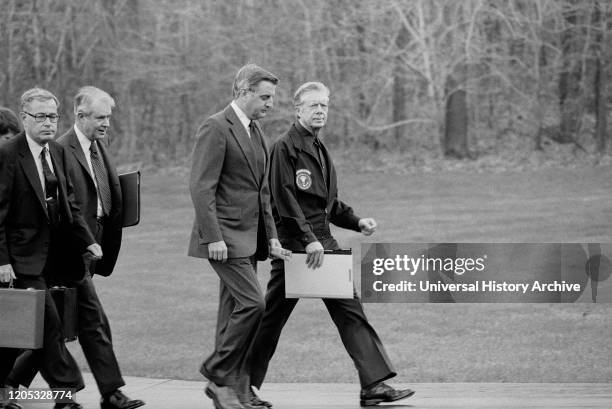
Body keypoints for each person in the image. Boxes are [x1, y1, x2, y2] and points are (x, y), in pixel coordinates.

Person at [249, 82, 415, 407]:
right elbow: (284, 200)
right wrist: (308, 240)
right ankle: (240, 385)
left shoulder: (320, 149)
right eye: (313, 106)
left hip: (325, 250)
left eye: (324, 105)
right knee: (269, 322)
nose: (320, 111)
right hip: (298, 253)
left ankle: (374, 385)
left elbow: (328, 204)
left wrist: (357, 222)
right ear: (298, 110)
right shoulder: (285, 148)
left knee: (351, 314)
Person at [6, 87, 145, 409]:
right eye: (100, 117)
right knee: (47, 324)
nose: (107, 123)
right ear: (80, 116)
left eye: (109, 117)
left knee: (85, 322)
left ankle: (110, 392)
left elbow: (91, 200)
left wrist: (93, 242)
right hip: (45, 256)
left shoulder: (93, 147)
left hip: (77, 252)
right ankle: (31, 388)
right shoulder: (56, 148)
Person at [188, 63, 291, 409]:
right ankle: (217, 374)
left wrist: (273, 238)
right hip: (225, 239)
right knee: (254, 304)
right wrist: (213, 236)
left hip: (252, 240)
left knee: (231, 312)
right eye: (264, 96)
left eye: (272, 97)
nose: (270, 103)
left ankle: (238, 391)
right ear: (242, 91)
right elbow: (202, 188)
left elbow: (262, 193)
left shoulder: (257, 131)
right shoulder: (216, 127)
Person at [0, 87, 103, 409]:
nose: (48, 123)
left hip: (54, 258)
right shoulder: (8, 155)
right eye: (40, 117)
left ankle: (4, 388)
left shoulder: (57, 153)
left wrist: (89, 240)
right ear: (26, 117)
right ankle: (65, 394)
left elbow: (70, 205)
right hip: (21, 258)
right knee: (48, 323)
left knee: (18, 333)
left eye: (53, 117)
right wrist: (2, 261)